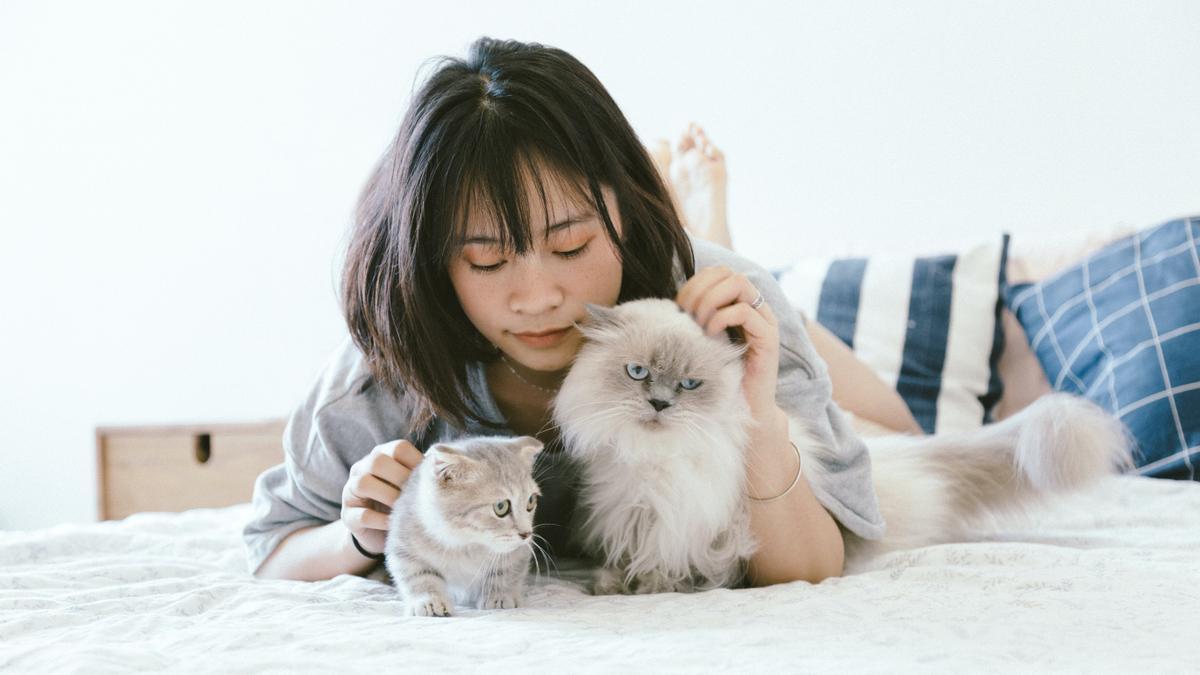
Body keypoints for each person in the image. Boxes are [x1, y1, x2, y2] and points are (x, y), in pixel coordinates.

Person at [244, 37, 907, 586]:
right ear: (431, 263)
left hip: (681, 289)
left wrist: (759, 416)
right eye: (485, 260)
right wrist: (356, 534)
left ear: (625, 205)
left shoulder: (729, 313)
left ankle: (706, 231)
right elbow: (274, 551)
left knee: (899, 432)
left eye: (571, 243)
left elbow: (815, 565)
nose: (536, 298)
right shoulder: (384, 368)